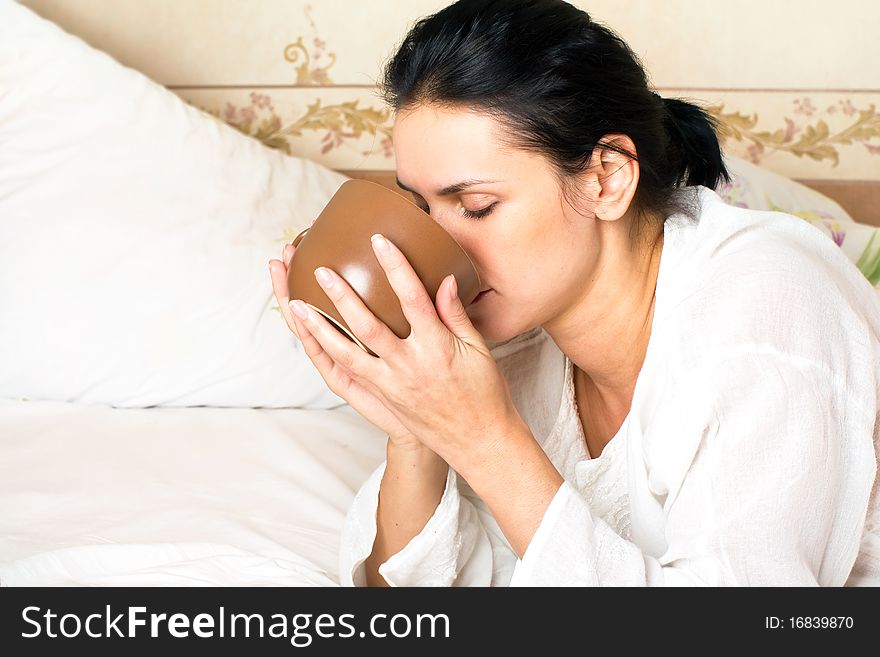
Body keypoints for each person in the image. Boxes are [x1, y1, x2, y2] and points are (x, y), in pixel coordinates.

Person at [268, 0, 879, 586]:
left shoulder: (766, 314)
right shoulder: (517, 334)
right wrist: (418, 430)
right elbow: (406, 604)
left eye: (476, 207)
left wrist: (485, 440)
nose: (437, 241)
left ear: (606, 179)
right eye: (423, 206)